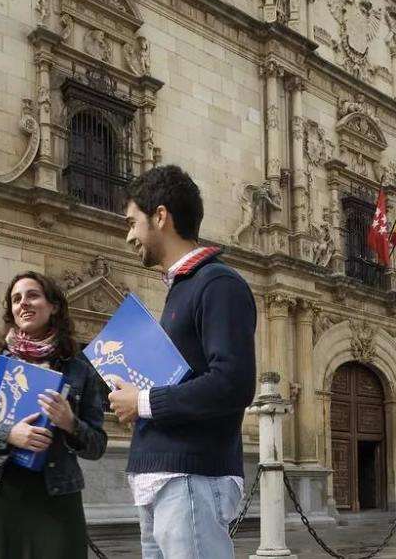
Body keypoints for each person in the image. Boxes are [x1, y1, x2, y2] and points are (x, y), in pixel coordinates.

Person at [108, 165, 257, 559]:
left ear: (160, 216)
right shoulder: (183, 289)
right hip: (163, 476)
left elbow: (233, 383)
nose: (129, 236)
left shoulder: (219, 284)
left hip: (190, 477)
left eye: (132, 222)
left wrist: (142, 401)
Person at [0, 271, 107, 559]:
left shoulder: (80, 371)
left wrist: (70, 424)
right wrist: (8, 434)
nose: (24, 303)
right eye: (16, 299)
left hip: (57, 499)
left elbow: (98, 445)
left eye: (32, 295)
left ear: (54, 306)